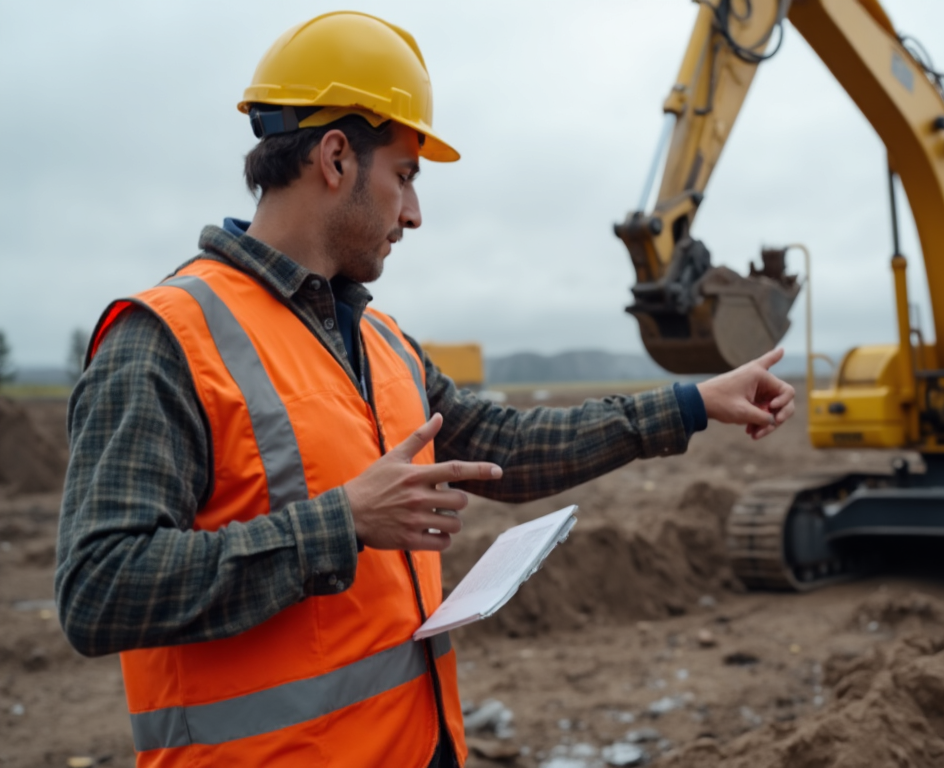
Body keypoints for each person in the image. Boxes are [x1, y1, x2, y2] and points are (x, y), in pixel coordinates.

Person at [54, 11, 796, 768]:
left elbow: (506, 447)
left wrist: (693, 403)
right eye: (405, 177)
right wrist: (343, 522)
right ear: (336, 157)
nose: (414, 213)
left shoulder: (380, 341)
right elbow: (98, 590)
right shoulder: (166, 339)